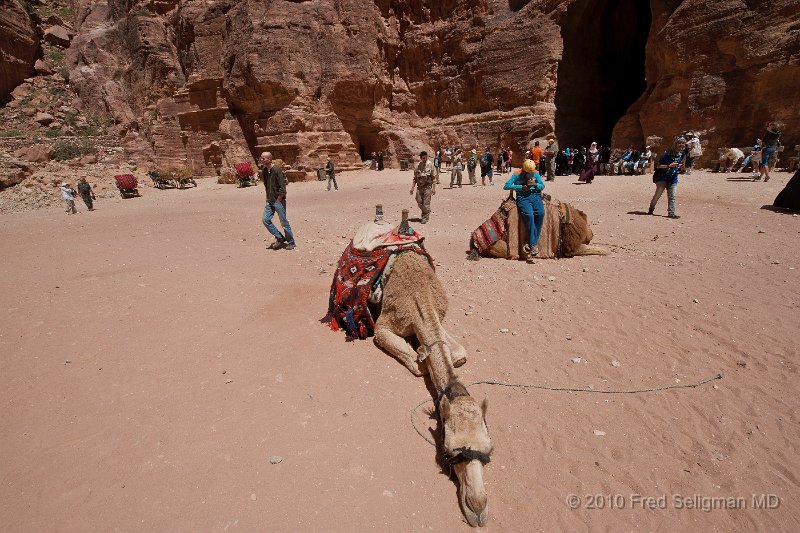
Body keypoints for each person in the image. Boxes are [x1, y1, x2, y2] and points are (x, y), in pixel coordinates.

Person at [503, 159, 545, 262]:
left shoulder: (535, 173)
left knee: (540, 213)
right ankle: (533, 245)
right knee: (529, 216)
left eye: (531, 172)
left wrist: (536, 185)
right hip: (523, 197)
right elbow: (506, 186)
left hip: (535, 195)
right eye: (528, 172)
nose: (530, 174)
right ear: (524, 170)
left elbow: (542, 185)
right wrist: (521, 187)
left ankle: (532, 242)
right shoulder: (517, 174)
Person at [259, 152, 295, 250]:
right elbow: (267, 185)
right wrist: (268, 198)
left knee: (284, 223)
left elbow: (283, 189)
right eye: (261, 158)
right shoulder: (264, 170)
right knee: (265, 220)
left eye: (263, 158)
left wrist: (278, 201)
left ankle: (291, 242)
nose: (261, 160)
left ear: (269, 159)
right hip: (269, 201)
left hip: (278, 201)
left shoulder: (277, 170)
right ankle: (280, 238)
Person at [648, 136, 686, 219]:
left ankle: (671, 213)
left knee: (672, 196)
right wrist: (669, 166)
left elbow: (682, 166)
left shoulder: (682, 154)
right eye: (679, 143)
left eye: (683, 143)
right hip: (662, 178)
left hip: (673, 177)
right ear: (675, 144)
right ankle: (651, 209)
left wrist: (681, 167)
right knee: (657, 195)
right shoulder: (667, 153)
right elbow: (658, 166)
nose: (681, 145)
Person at [411, 151, 436, 223]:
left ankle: (425, 217)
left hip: (427, 187)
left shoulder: (430, 165)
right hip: (420, 187)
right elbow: (415, 178)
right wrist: (412, 188)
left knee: (426, 203)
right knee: (419, 201)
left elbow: (433, 177)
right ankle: (427, 210)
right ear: (421, 158)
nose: (425, 159)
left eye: (426, 157)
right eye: (423, 158)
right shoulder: (417, 166)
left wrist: (434, 188)